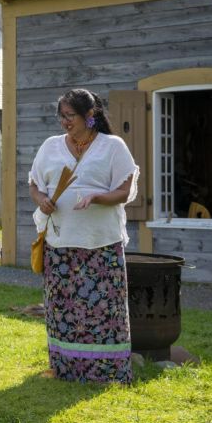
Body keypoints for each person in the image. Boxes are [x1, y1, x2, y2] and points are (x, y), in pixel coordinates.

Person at [29, 88, 138, 384]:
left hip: (100, 243)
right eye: (61, 116)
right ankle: (65, 369)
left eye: (70, 116)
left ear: (90, 116)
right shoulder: (51, 146)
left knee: (104, 309)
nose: (64, 122)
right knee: (63, 308)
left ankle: (106, 371)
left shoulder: (112, 146)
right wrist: (42, 200)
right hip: (60, 243)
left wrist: (97, 197)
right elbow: (35, 184)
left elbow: (124, 191)